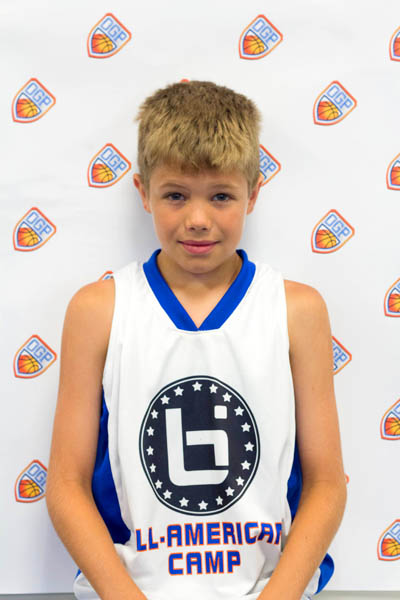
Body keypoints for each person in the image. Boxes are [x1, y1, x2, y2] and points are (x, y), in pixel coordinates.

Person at [46, 80, 347, 600]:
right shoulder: (98, 311)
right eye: (176, 195)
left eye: (221, 196)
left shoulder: (297, 311)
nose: (198, 219)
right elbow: (66, 487)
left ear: (254, 193)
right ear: (143, 192)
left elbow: (326, 484)